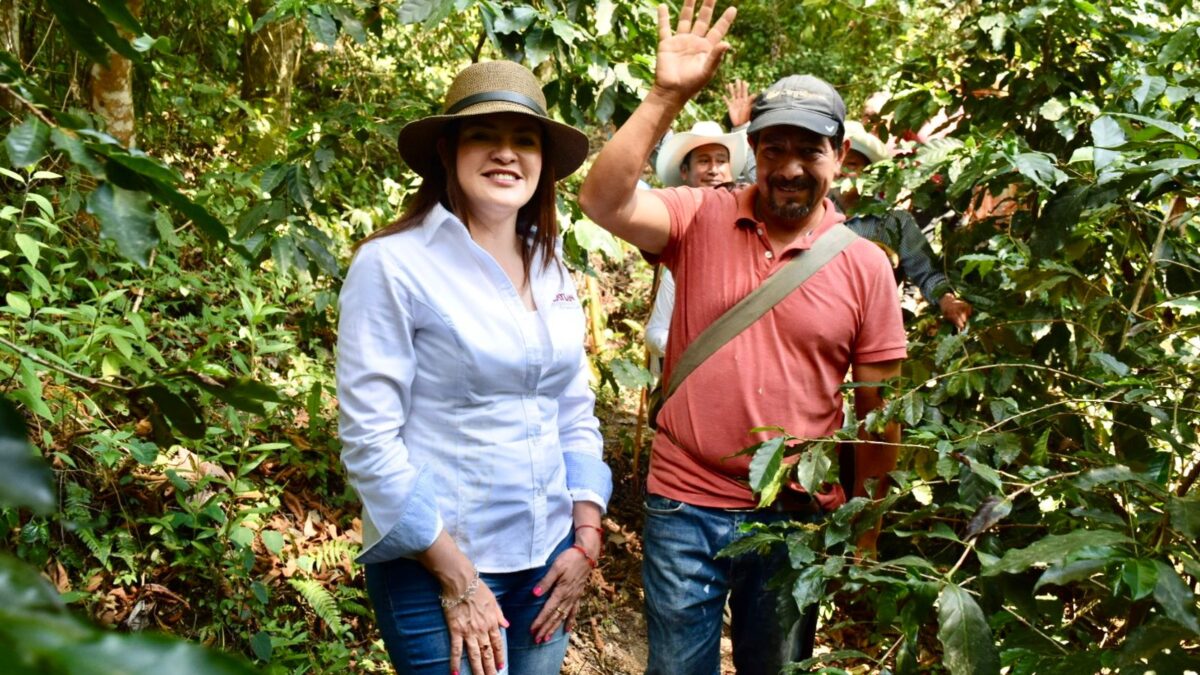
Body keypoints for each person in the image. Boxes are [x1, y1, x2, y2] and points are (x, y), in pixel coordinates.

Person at [578, 1, 907, 673]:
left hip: (794, 516)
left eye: (808, 149)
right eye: (773, 147)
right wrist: (666, 94)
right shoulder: (700, 215)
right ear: (751, 149)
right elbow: (603, 202)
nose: (789, 167)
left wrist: (864, 530)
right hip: (684, 501)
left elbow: (881, 415)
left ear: (838, 157)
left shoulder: (865, 264)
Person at [336, 60, 612, 675]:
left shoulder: (552, 268)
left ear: (543, 163)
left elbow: (572, 407)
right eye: (484, 135)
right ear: (447, 150)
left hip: (545, 556)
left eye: (525, 139)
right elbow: (368, 439)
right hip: (434, 562)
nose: (506, 154)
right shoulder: (394, 265)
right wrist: (457, 577)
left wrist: (585, 534)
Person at [839, 120, 974, 330]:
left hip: (868, 329)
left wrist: (947, 300)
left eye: (852, 164)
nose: (840, 171)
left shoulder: (892, 222)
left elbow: (926, 272)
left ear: (868, 172)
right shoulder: (805, 215)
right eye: (836, 161)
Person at [646, 119, 748, 367]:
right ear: (685, 172)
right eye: (704, 161)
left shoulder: (752, 224)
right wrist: (701, 347)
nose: (714, 170)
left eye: (721, 161)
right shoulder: (676, 229)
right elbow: (655, 332)